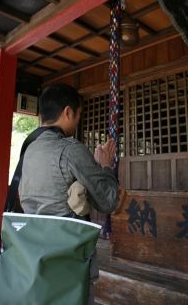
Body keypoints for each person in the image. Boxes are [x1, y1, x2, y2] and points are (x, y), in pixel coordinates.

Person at [18, 82, 119, 305]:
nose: (78, 120)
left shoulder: (28, 150)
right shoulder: (70, 149)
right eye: (79, 114)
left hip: (34, 259)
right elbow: (109, 201)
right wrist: (105, 166)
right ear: (67, 112)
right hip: (68, 260)